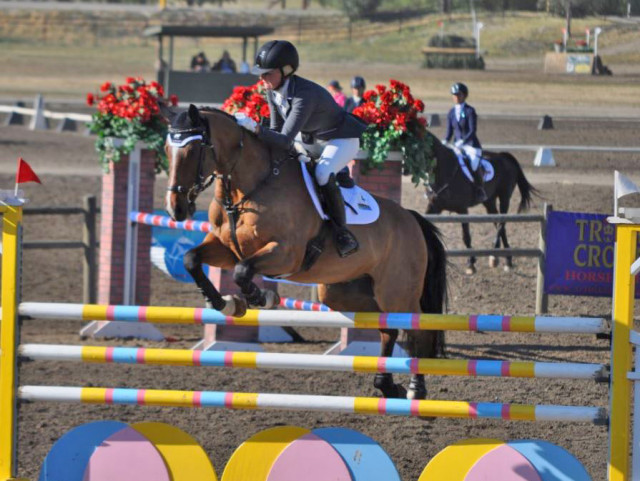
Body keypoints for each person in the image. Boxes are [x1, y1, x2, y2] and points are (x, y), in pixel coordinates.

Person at [235, 40, 366, 258]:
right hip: (310, 141)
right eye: (261, 74)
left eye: (267, 73)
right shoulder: (273, 90)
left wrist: (255, 128)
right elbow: (276, 129)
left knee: (322, 174)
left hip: (340, 140)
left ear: (286, 71)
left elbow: (284, 139)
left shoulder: (304, 94)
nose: (262, 78)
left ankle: (342, 234)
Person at [443, 82, 487, 203]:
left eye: (459, 95)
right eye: (454, 95)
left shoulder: (470, 111)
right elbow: (449, 132)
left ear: (464, 95)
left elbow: (472, 130)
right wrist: (444, 141)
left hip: (471, 146)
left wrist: (462, 142)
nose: (456, 97)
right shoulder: (451, 112)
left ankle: (480, 189)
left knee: (473, 164)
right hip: (457, 146)